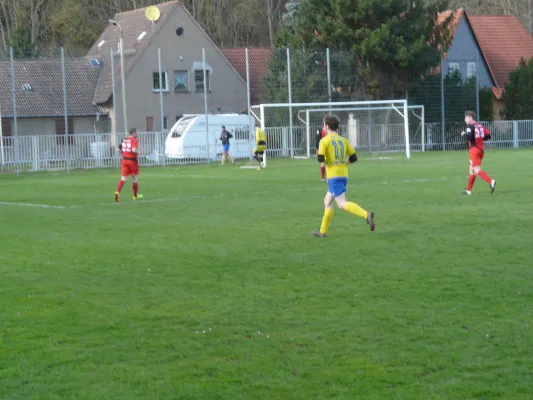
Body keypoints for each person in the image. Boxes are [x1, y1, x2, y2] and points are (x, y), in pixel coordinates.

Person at [312, 115, 375, 238]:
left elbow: (320, 158)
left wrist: (323, 156)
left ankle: (366, 214)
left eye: (324, 125)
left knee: (341, 204)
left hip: (333, 176)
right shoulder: (344, 140)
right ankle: (322, 232)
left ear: (327, 126)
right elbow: (354, 158)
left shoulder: (324, 141)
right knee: (327, 201)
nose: (323, 127)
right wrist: (343, 163)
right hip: (343, 174)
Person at [461, 111, 496, 195]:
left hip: (474, 150)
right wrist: (480, 139)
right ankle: (468, 190)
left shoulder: (470, 126)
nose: (465, 120)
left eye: (466, 118)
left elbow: (469, 137)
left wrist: (464, 134)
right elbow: (488, 135)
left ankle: (491, 181)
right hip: (480, 150)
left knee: (476, 169)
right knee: (471, 170)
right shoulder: (480, 125)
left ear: (470, 118)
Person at [114, 128, 142, 202]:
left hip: (124, 160)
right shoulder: (134, 140)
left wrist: (125, 153)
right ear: (133, 133)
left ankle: (117, 192)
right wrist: (139, 153)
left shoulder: (124, 139)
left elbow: (118, 150)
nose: (137, 134)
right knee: (135, 179)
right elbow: (134, 150)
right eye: (137, 133)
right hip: (132, 161)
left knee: (123, 178)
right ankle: (135, 196)